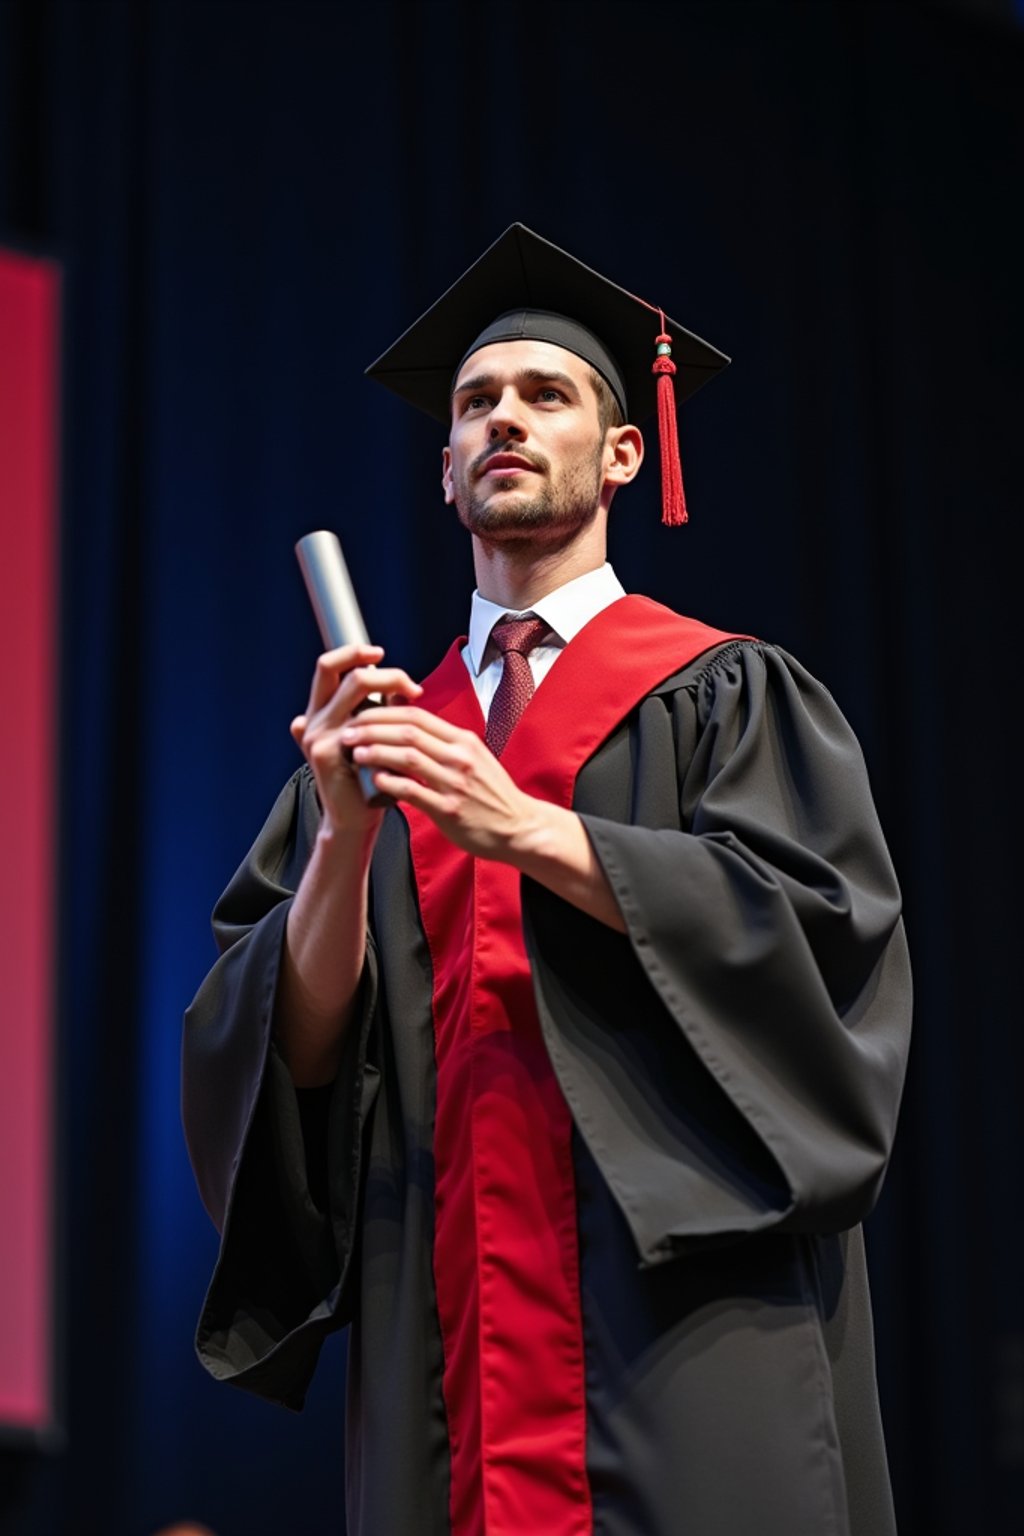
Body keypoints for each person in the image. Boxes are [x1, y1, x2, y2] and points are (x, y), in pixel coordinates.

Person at [182, 224, 912, 1536]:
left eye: (545, 395)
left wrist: (530, 831)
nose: (504, 421)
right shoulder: (379, 742)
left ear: (622, 450)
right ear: (445, 470)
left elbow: (821, 961)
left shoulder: (728, 695)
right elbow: (283, 1062)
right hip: (445, 1325)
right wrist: (344, 839)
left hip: (683, 1322)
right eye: (475, 405)